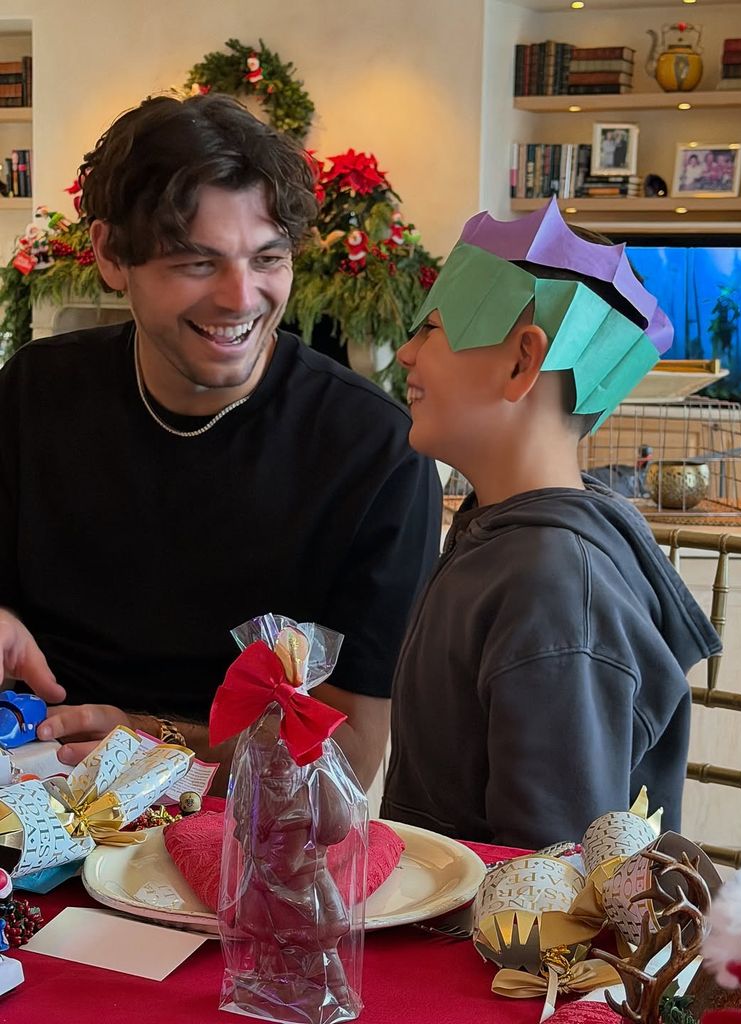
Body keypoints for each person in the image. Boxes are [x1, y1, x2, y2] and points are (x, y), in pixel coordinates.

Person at [0, 93, 442, 792]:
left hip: (243, 836)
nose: (241, 298)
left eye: (267, 258)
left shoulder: (374, 451)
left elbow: (348, 757)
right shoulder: (34, 392)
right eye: (196, 263)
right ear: (111, 255)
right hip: (28, 790)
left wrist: (149, 739)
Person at [380, 199, 721, 848]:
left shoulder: (553, 586)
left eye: (431, 329)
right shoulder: (502, 538)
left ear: (521, 361)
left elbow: (549, 894)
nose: (405, 353)